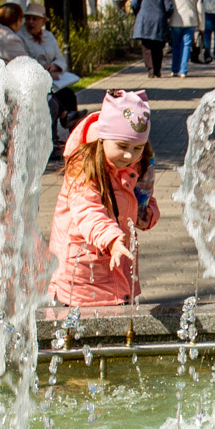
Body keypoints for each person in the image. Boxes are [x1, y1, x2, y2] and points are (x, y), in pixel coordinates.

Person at [47, 90, 159, 306]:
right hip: (81, 269)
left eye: (137, 147)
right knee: (82, 329)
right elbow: (87, 210)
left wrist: (147, 214)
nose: (129, 155)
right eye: (122, 146)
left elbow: (143, 199)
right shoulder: (82, 167)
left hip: (117, 261)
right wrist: (113, 240)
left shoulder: (139, 163)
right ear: (103, 138)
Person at [21, 9, 80, 142]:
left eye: (34, 19)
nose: (31, 22)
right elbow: (24, 60)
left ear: (43, 21)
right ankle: (55, 134)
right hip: (36, 80)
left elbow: (60, 58)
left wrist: (54, 66)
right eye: (28, 18)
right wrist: (44, 69)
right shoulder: (21, 37)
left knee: (69, 95)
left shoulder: (49, 36)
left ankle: (74, 135)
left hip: (54, 79)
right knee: (52, 100)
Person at [129, 0, 171, 77]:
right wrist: (165, 16)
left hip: (144, 20)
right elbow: (169, 7)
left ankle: (150, 69)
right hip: (159, 21)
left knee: (146, 47)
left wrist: (138, 13)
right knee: (158, 47)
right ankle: (157, 69)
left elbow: (133, 4)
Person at [167, 0, 206, 77]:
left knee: (175, 46)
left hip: (176, 21)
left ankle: (174, 69)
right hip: (190, 21)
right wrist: (201, 26)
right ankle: (183, 70)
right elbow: (200, 10)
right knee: (186, 45)